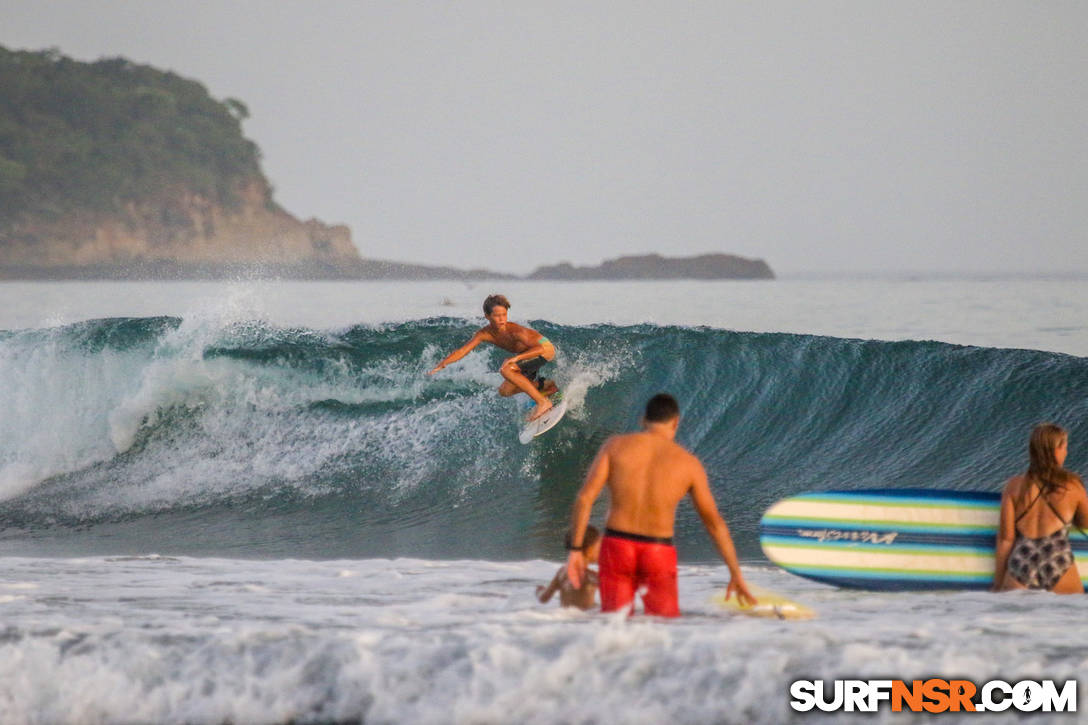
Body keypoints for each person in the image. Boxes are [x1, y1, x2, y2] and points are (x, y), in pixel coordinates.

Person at [565, 393, 756, 616]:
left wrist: (576, 550)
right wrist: (735, 573)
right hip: (658, 551)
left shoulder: (615, 446)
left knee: (614, 626)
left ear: (643, 420)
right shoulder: (689, 464)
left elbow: (585, 498)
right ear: (676, 423)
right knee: (663, 628)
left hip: (617, 546)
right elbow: (714, 524)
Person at [428, 294, 557, 420]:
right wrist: (444, 363)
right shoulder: (485, 333)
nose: (502, 319)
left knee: (506, 369)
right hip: (528, 354)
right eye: (497, 315)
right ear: (487, 316)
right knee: (505, 391)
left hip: (544, 349)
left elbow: (539, 348)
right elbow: (462, 351)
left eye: (504, 315)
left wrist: (516, 359)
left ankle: (543, 402)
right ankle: (546, 386)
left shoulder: (515, 331)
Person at [993, 423, 1088, 594]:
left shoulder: (1013, 486)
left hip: (1022, 561)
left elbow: (1005, 539)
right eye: (1064, 447)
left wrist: (998, 584)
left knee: (1014, 619)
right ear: (1056, 450)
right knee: (1072, 618)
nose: (1066, 452)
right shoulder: (1073, 485)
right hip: (1057, 559)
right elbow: (1085, 523)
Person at [537, 526, 602, 610]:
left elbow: (544, 598)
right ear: (589, 550)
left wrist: (540, 592)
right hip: (585, 620)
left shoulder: (561, 572)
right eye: (599, 547)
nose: (601, 551)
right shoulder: (591, 576)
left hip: (566, 619)